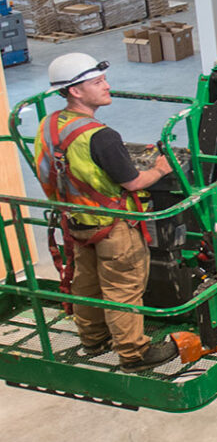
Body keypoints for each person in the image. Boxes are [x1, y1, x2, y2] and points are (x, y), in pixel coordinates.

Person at [34, 53, 178, 370]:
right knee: (124, 289)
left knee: (86, 281)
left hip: (75, 221)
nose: (107, 86)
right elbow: (133, 181)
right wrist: (159, 170)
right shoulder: (102, 136)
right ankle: (134, 354)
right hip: (113, 227)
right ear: (75, 90)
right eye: (98, 82)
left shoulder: (49, 125)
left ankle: (93, 338)